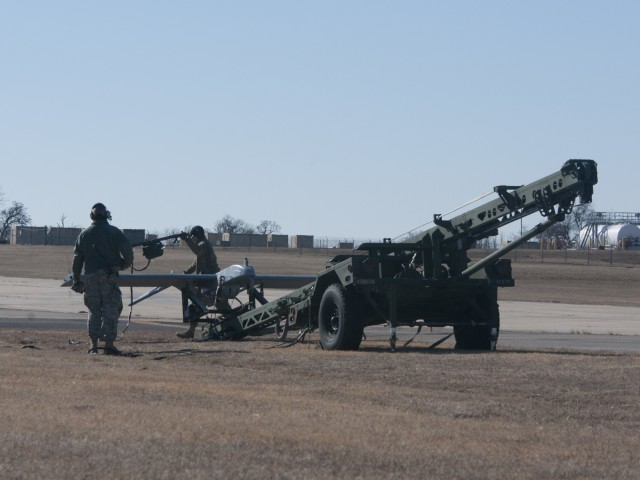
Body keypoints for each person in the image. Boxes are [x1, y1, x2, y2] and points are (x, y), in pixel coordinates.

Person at [70, 203, 134, 354]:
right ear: (106, 215)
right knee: (111, 309)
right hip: (109, 277)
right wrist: (123, 265)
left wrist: (76, 279)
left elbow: (77, 259)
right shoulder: (114, 232)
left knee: (94, 310)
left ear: (92, 216)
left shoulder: (84, 234)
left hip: (90, 277)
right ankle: (109, 345)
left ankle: (93, 346)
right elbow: (128, 252)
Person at [176, 225, 220, 339]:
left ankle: (191, 331)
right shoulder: (202, 246)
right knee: (195, 306)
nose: (192, 238)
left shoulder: (204, 245)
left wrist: (187, 239)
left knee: (197, 305)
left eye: (193, 237)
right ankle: (191, 331)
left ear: (197, 236)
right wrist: (185, 273)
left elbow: (197, 251)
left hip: (211, 283)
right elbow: (195, 264)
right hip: (206, 282)